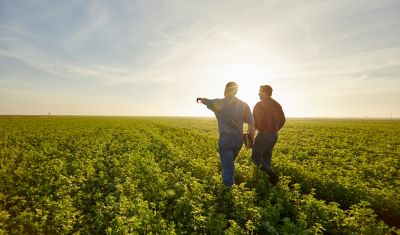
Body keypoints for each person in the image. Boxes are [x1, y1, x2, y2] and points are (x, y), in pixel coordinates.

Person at [197, 82, 255, 186]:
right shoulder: (244, 105)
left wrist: (201, 99)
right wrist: (251, 141)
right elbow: (251, 124)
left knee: (228, 169)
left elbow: (207, 101)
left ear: (225, 90)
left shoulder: (219, 103)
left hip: (226, 140)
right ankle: (229, 182)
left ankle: (229, 193)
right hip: (238, 140)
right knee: (229, 164)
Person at [251, 85, 285, 186]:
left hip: (263, 135)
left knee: (255, 157)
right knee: (266, 158)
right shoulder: (277, 105)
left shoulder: (259, 105)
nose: (258, 94)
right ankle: (268, 183)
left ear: (265, 93)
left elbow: (255, 122)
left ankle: (272, 175)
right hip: (274, 135)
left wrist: (251, 134)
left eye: (260, 92)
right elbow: (283, 120)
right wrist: (274, 129)